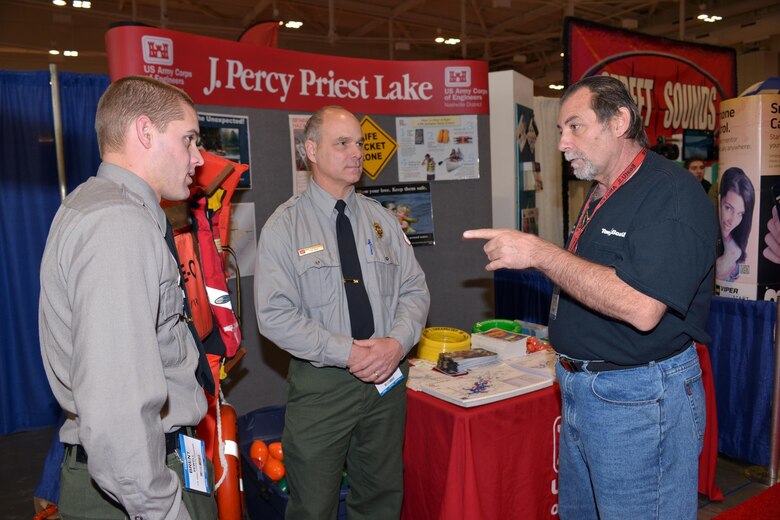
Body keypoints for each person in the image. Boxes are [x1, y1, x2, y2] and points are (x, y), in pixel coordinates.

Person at [464, 76, 717, 519]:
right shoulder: (602, 191)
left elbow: (642, 308)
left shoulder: (670, 193)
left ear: (619, 121)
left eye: (575, 126)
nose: (562, 142)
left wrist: (539, 253)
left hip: (639, 400)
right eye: (562, 129)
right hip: (584, 391)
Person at [39, 76, 217, 520]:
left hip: (147, 471)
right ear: (144, 132)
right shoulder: (118, 223)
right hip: (134, 490)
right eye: (189, 139)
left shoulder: (104, 206)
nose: (198, 159)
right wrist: (162, 509)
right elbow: (117, 404)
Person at [254, 106, 430, 519]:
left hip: (386, 380)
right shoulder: (285, 227)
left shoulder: (382, 220)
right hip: (323, 385)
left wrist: (396, 343)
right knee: (312, 505)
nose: (357, 153)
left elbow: (414, 289)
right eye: (343, 143)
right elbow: (275, 315)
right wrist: (347, 351)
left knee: (381, 496)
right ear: (311, 150)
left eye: (360, 143)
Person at [716, 167, 755, 282]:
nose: (732, 221)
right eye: (728, 208)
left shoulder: (735, 254)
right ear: (719, 200)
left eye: (740, 214)